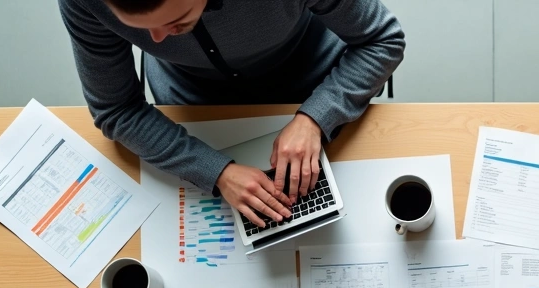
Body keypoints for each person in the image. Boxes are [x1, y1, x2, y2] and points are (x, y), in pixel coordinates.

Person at [58, 0, 405, 227]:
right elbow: (116, 110)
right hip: (193, 104)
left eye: (176, 22)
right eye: (136, 27)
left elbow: (382, 41)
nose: (156, 40)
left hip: (314, 76)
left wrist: (315, 118)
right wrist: (216, 171)